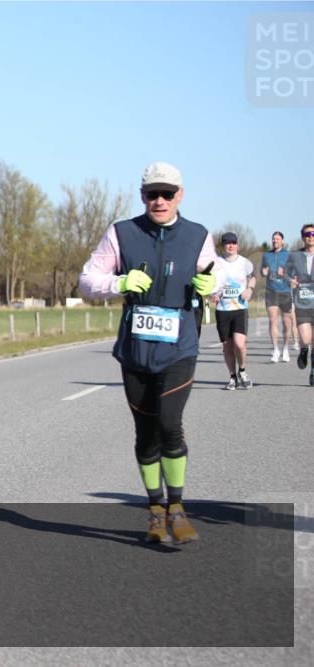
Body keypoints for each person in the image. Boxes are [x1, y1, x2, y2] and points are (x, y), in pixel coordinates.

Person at [79, 162, 223, 544]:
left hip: (180, 346)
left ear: (181, 194)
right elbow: (87, 281)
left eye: (167, 194)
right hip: (136, 350)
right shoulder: (121, 232)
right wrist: (119, 281)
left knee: (169, 424)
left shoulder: (197, 234)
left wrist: (212, 283)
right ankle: (155, 511)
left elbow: (218, 274)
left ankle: (177, 508)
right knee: (146, 435)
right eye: (151, 194)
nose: (159, 201)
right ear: (142, 196)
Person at [214, 232, 256, 390]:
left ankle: (242, 371)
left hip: (240, 308)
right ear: (222, 246)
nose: (231, 246)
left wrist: (250, 289)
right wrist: (212, 294)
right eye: (227, 243)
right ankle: (232, 377)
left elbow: (252, 277)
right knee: (227, 345)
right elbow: (210, 281)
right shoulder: (216, 262)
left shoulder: (245, 262)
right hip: (222, 309)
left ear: (237, 245)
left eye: (233, 243)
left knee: (239, 344)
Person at [261, 231, 296, 363]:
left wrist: (286, 273)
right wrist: (263, 272)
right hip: (271, 291)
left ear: (282, 241)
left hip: (285, 291)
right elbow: (262, 270)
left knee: (287, 323)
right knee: (272, 321)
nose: (275, 241)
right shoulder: (266, 255)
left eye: (277, 239)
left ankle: (285, 348)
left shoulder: (289, 255)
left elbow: (294, 273)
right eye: (273, 239)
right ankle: (275, 349)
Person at [286, 222, 314, 386]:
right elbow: (286, 274)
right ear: (303, 237)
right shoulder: (295, 255)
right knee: (306, 338)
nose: (310, 237)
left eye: (313, 234)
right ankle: (303, 350)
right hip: (302, 303)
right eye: (307, 234)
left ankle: (313, 372)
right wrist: (291, 281)